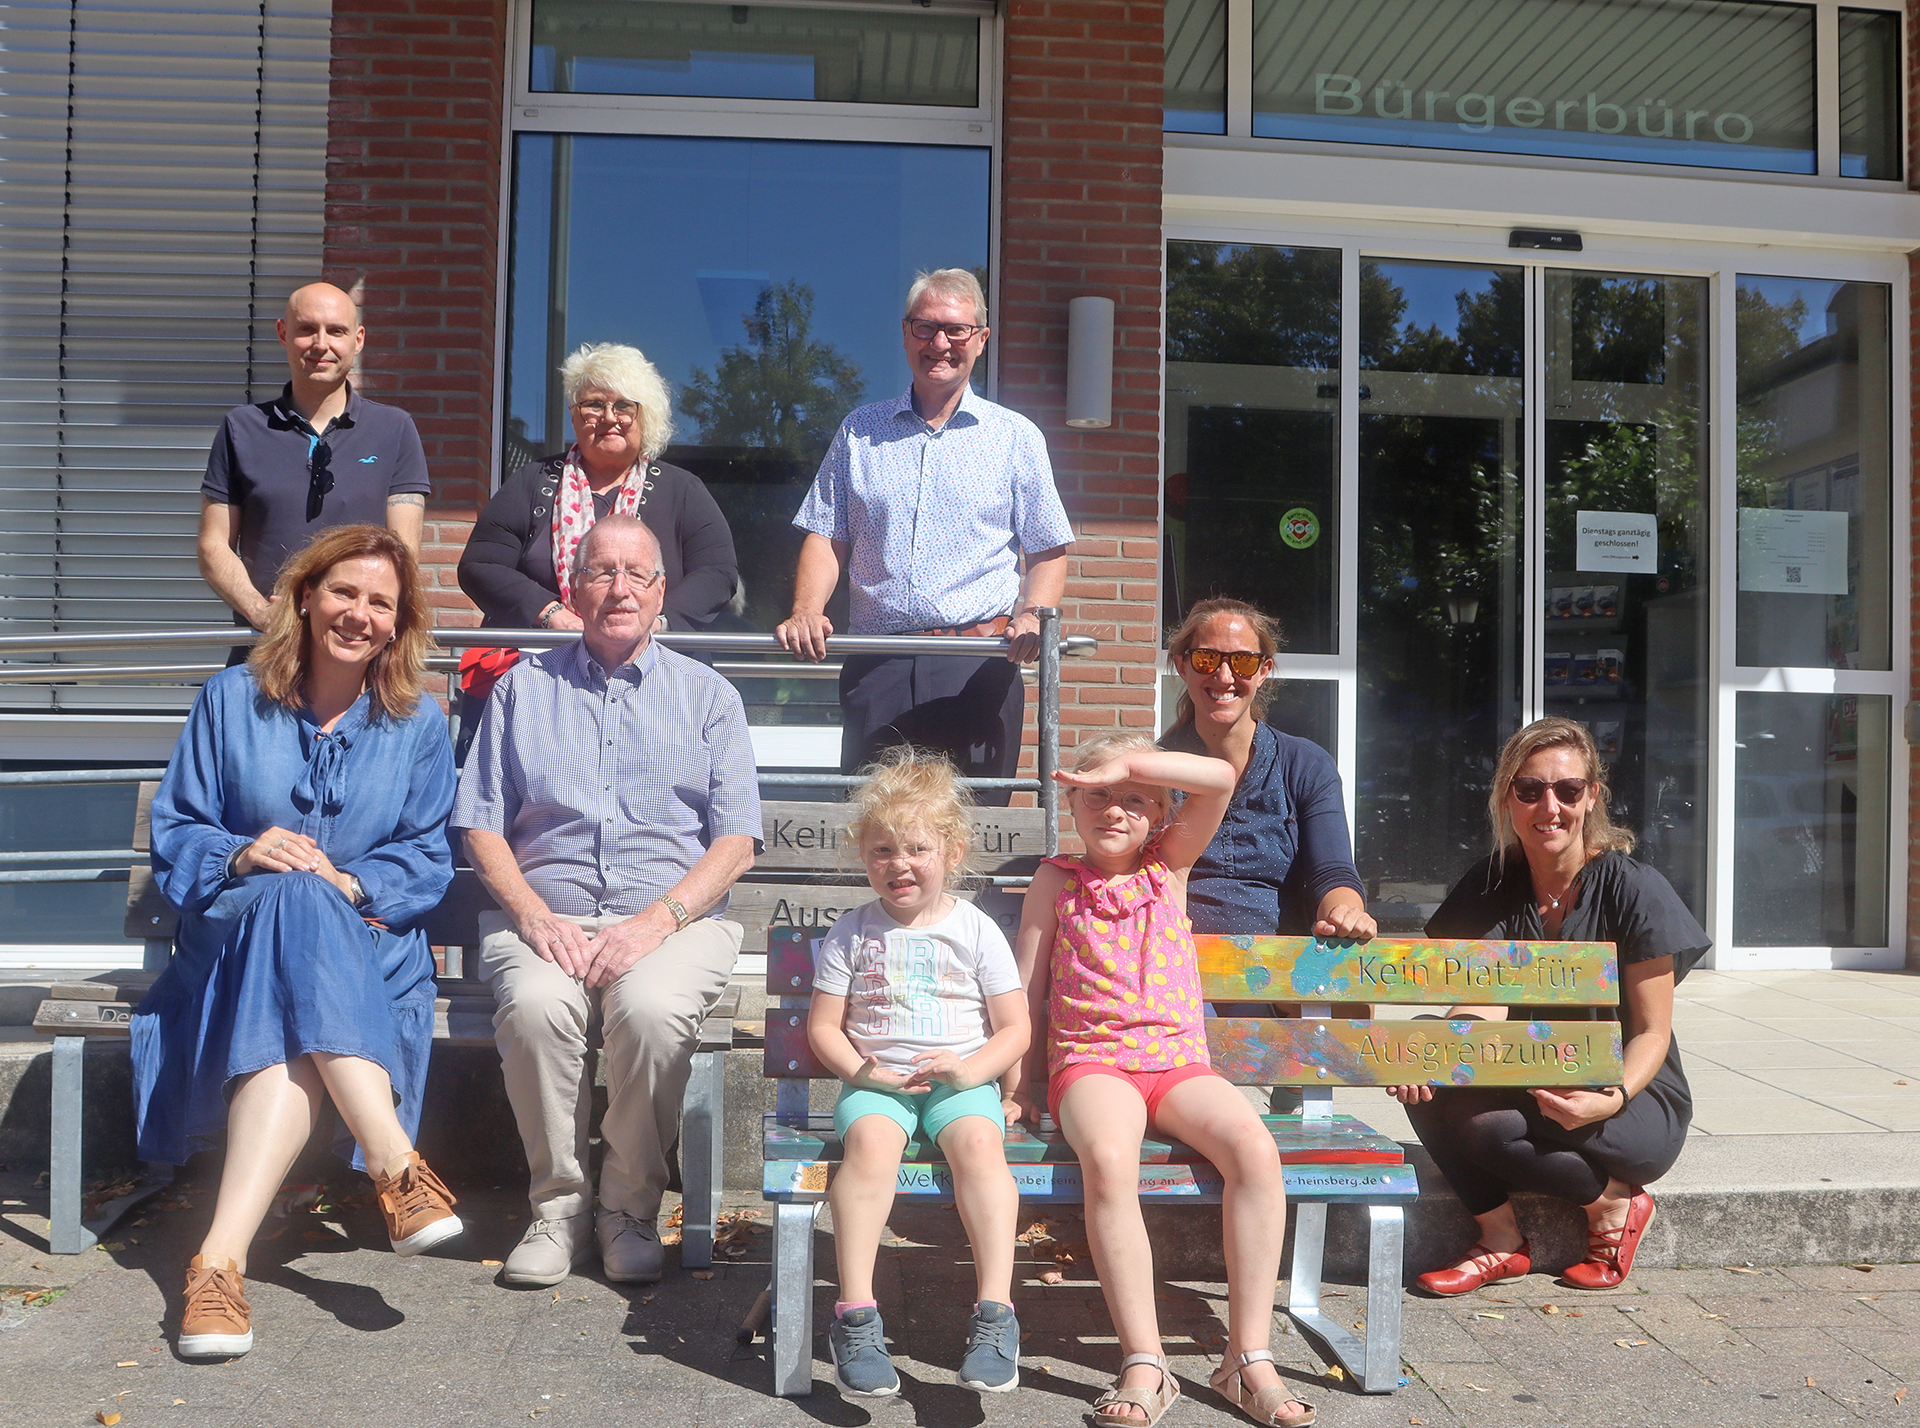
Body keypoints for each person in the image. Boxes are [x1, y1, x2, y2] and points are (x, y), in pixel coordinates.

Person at [131, 524, 459, 1360]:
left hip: (364, 957)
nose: (359, 614)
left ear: (397, 623)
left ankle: (218, 1262)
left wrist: (350, 884)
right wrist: (243, 853)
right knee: (291, 897)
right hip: (234, 949)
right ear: (306, 597)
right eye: (343, 592)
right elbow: (179, 830)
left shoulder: (418, 723)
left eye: (380, 602)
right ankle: (395, 1165)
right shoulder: (229, 700)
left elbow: (427, 854)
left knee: (309, 910)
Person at [452, 512, 761, 1288]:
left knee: (650, 1012)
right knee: (536, 1009)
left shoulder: (709, 697)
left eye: (636, 574)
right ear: (574, 588)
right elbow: (480, 823)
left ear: (660, 591)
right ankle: (558, 1210)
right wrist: (532, 915)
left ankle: (628, 1210)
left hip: (673, 922)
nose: (619, 588)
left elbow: (736, 842)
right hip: (545, 918)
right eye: (601, 571)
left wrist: (657, 921)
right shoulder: (522, 690)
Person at [1008, 735, 1315, 1428]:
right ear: (1072, 804)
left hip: (1178, 1064)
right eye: (1097, 796)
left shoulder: (1169, 864)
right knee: (1110, 1159)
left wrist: (1126, 765)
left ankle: (1248, 1357)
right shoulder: (1055, 879)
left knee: (1254, 1150)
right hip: (1093, 1063)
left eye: (1134, 799)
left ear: (1160, 814)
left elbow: (1220, 778)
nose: (1114, 810)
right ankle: (1145, 1362)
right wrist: (1017, 1087)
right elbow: (1027, 991)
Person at [1390, 717, 1703, 1295]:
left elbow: (1652, 1032)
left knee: (1487, 1126)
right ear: (1507, 798)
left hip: (1631, 1097)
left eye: (1568, 790)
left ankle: (1614, 1205)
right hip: (1533, 1076)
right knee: (1427, 1049)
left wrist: (1611, 1096)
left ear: (1592, 797)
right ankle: (1501, 1237)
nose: (1549, 807)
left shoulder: (1634, 888)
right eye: (1530, 789)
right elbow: (1483, 1003)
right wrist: (1440, 1054)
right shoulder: (1491, 884)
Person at [775, 269, 1074, 805]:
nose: (940, 343)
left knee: (976, 832)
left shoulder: (1016, 437)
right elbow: (826, 536)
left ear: (981, 340)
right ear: (906, 333)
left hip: (978, 668)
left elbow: (1047, 548)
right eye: (926, 327)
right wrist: (806, 610)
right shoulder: (859, 431)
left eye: (956, 330)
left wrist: (1033, 614)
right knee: (875, 827)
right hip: (879, 665)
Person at [806, 749, 1029, 1398]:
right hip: (880, 1087)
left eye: (916, 848)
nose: (898, 863)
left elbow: (1014, 1028)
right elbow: (823, 1028)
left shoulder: (976, 929)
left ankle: (996, 1314)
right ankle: (855, 1316)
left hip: (960, 1086)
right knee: (870, 1144)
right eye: (881, 850)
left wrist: (972, 1071)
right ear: (863, 855)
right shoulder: (853, 932)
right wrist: (862, 1072)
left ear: (952, 852)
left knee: (981, 1144)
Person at [198, 283, 429, 657]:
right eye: (307, 329)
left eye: (336, 331)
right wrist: (261, 613)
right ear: (283, 334)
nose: (321, 344)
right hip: (265, 651)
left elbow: (404, 555)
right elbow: (213, 545)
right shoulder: (241, 428)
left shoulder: (394, 430)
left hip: (358, 655)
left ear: (358, 340)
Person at [457, 341, 738, 636]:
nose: (609, 417)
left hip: (656, 656)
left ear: (645, 415)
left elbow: (718, 573)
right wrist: (549, 612)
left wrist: (657, 624)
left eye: (624, 405)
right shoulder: (532, 482)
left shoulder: (683, 490)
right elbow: (481, 564)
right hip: (543, 655)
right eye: (594, 405)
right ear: (573, 414)